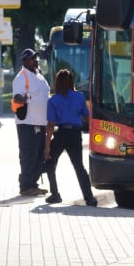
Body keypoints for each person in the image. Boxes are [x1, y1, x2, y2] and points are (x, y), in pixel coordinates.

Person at [43, 69, 97, 206]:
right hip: (75, 135)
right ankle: (89, 198)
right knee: (79, 167)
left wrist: (47, 147)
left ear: (57, 83)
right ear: (72, 81)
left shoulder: (53, 101)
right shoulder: (79, 97)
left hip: (61, 134)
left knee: (50, 163)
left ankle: (55, 194)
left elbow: (50, 125)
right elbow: (87, 115)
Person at [12, 48, 50, 196]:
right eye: (32, 58)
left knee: (38, 155)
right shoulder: (21, 77)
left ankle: (32, 184)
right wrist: (28, 99)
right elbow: (16, 98)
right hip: (28, 123)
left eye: (35, 57)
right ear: (24, 61)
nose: (35, 60)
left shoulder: (39, 75)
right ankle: (26, 186)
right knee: (29, 154)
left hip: (41, 122)